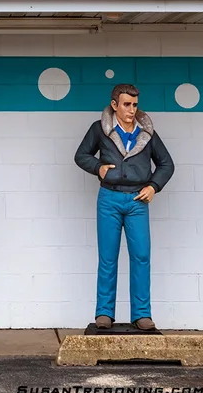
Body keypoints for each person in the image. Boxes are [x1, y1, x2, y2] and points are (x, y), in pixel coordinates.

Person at [74, 84, 175, 331]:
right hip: (109, 198)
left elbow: (166, 164)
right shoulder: (100, 129)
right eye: (127, 104)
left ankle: (141, 314)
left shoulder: (147, 133)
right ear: (114, 105)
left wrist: (153, 186)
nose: (132, 110)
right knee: (108, 257)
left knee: (141, 256)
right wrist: (98, 167)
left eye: (135, 104)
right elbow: (81, 155)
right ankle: (104, 313)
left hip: (137, 201)